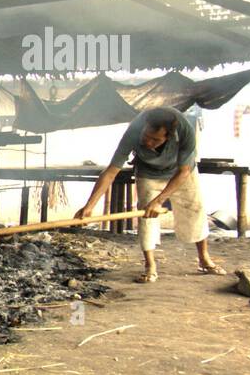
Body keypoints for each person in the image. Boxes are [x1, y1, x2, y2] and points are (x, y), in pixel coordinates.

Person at [74, 106, 225, 283]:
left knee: (194, 209)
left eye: (155, 139)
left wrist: (159, 200)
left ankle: (204, 259)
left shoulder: (185, 131)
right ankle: (150, 266)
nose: (148, 142)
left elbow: (184, 171)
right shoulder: (134, 131)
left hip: (181, 171)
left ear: (169, 136)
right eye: (146, 136)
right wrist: (89, 206)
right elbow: (111, 172)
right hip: (148, 172)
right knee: (147, 216)